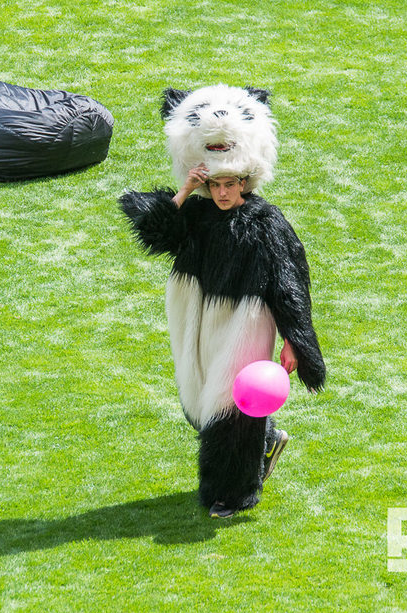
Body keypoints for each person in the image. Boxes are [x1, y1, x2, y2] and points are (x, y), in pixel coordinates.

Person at [119, 163, 326, 519]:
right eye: (215, 185)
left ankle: (231, 495)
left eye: (230, 184)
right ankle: (268, 438)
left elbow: (290, 283)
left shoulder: (266, 222)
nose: (223, 193)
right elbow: (153, 230)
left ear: (244, 183)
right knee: (200, 403)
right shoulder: (198, 214)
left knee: (229, 411)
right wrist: (186, 189)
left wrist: (294, 340)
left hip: (248, 321)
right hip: (200, 321)